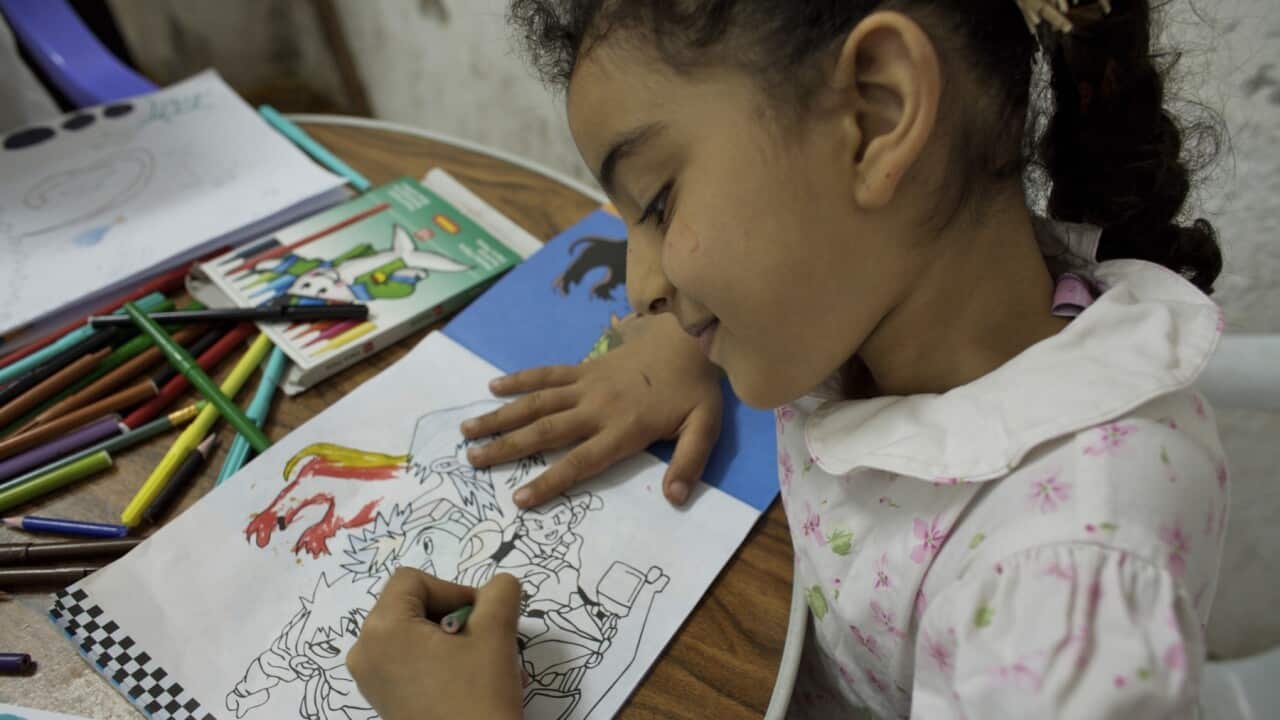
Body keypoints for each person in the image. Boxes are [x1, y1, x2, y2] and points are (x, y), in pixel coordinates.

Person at [348, 0, 1230, 717]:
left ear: (874, 115)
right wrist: (690, 340)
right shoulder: (887, 297)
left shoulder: (1058, 598)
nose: (636, 288)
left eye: (656, 204)